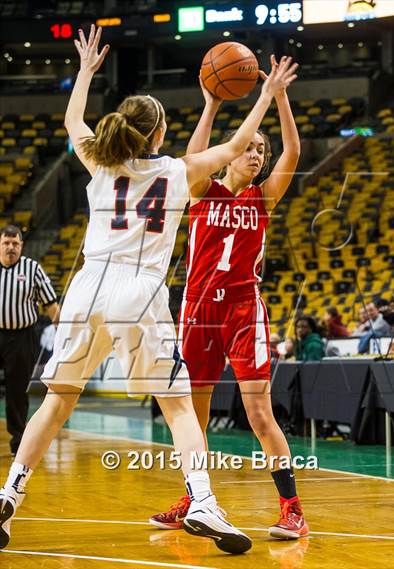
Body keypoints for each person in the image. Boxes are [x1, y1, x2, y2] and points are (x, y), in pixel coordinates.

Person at [0, 25, 289, 554]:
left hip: (86, 288)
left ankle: (10, 493)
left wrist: (86, 72)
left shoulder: (100, 162)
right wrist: (265, 97)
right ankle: (201, 499)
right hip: (140, 293)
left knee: (58, 400)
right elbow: (233, 147)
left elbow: (72, 120)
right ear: (158, 136)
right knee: (178, 406)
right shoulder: (179, 171)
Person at [151, 56, 309, 540]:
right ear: (233, 152)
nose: (258, 155)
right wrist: (211, 105)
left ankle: (292, 508)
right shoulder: (203, 190)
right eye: (250, 148)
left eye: (262, 150)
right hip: (198, 310)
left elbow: (294, 154)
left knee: (259, 412)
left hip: (243, 309)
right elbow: (195, 153)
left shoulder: (264, 198)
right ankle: (196, 497)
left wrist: (280, 97)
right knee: (192, 416)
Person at [0, 225, 59, 456]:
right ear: (0, 244)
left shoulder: (32, 269)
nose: (11, 248)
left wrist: (64, 336)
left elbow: (51, 305)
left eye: (15, 244)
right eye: (6, 243)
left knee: (17, 391)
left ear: (21, 246)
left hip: (22, 337)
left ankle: (18, 443)